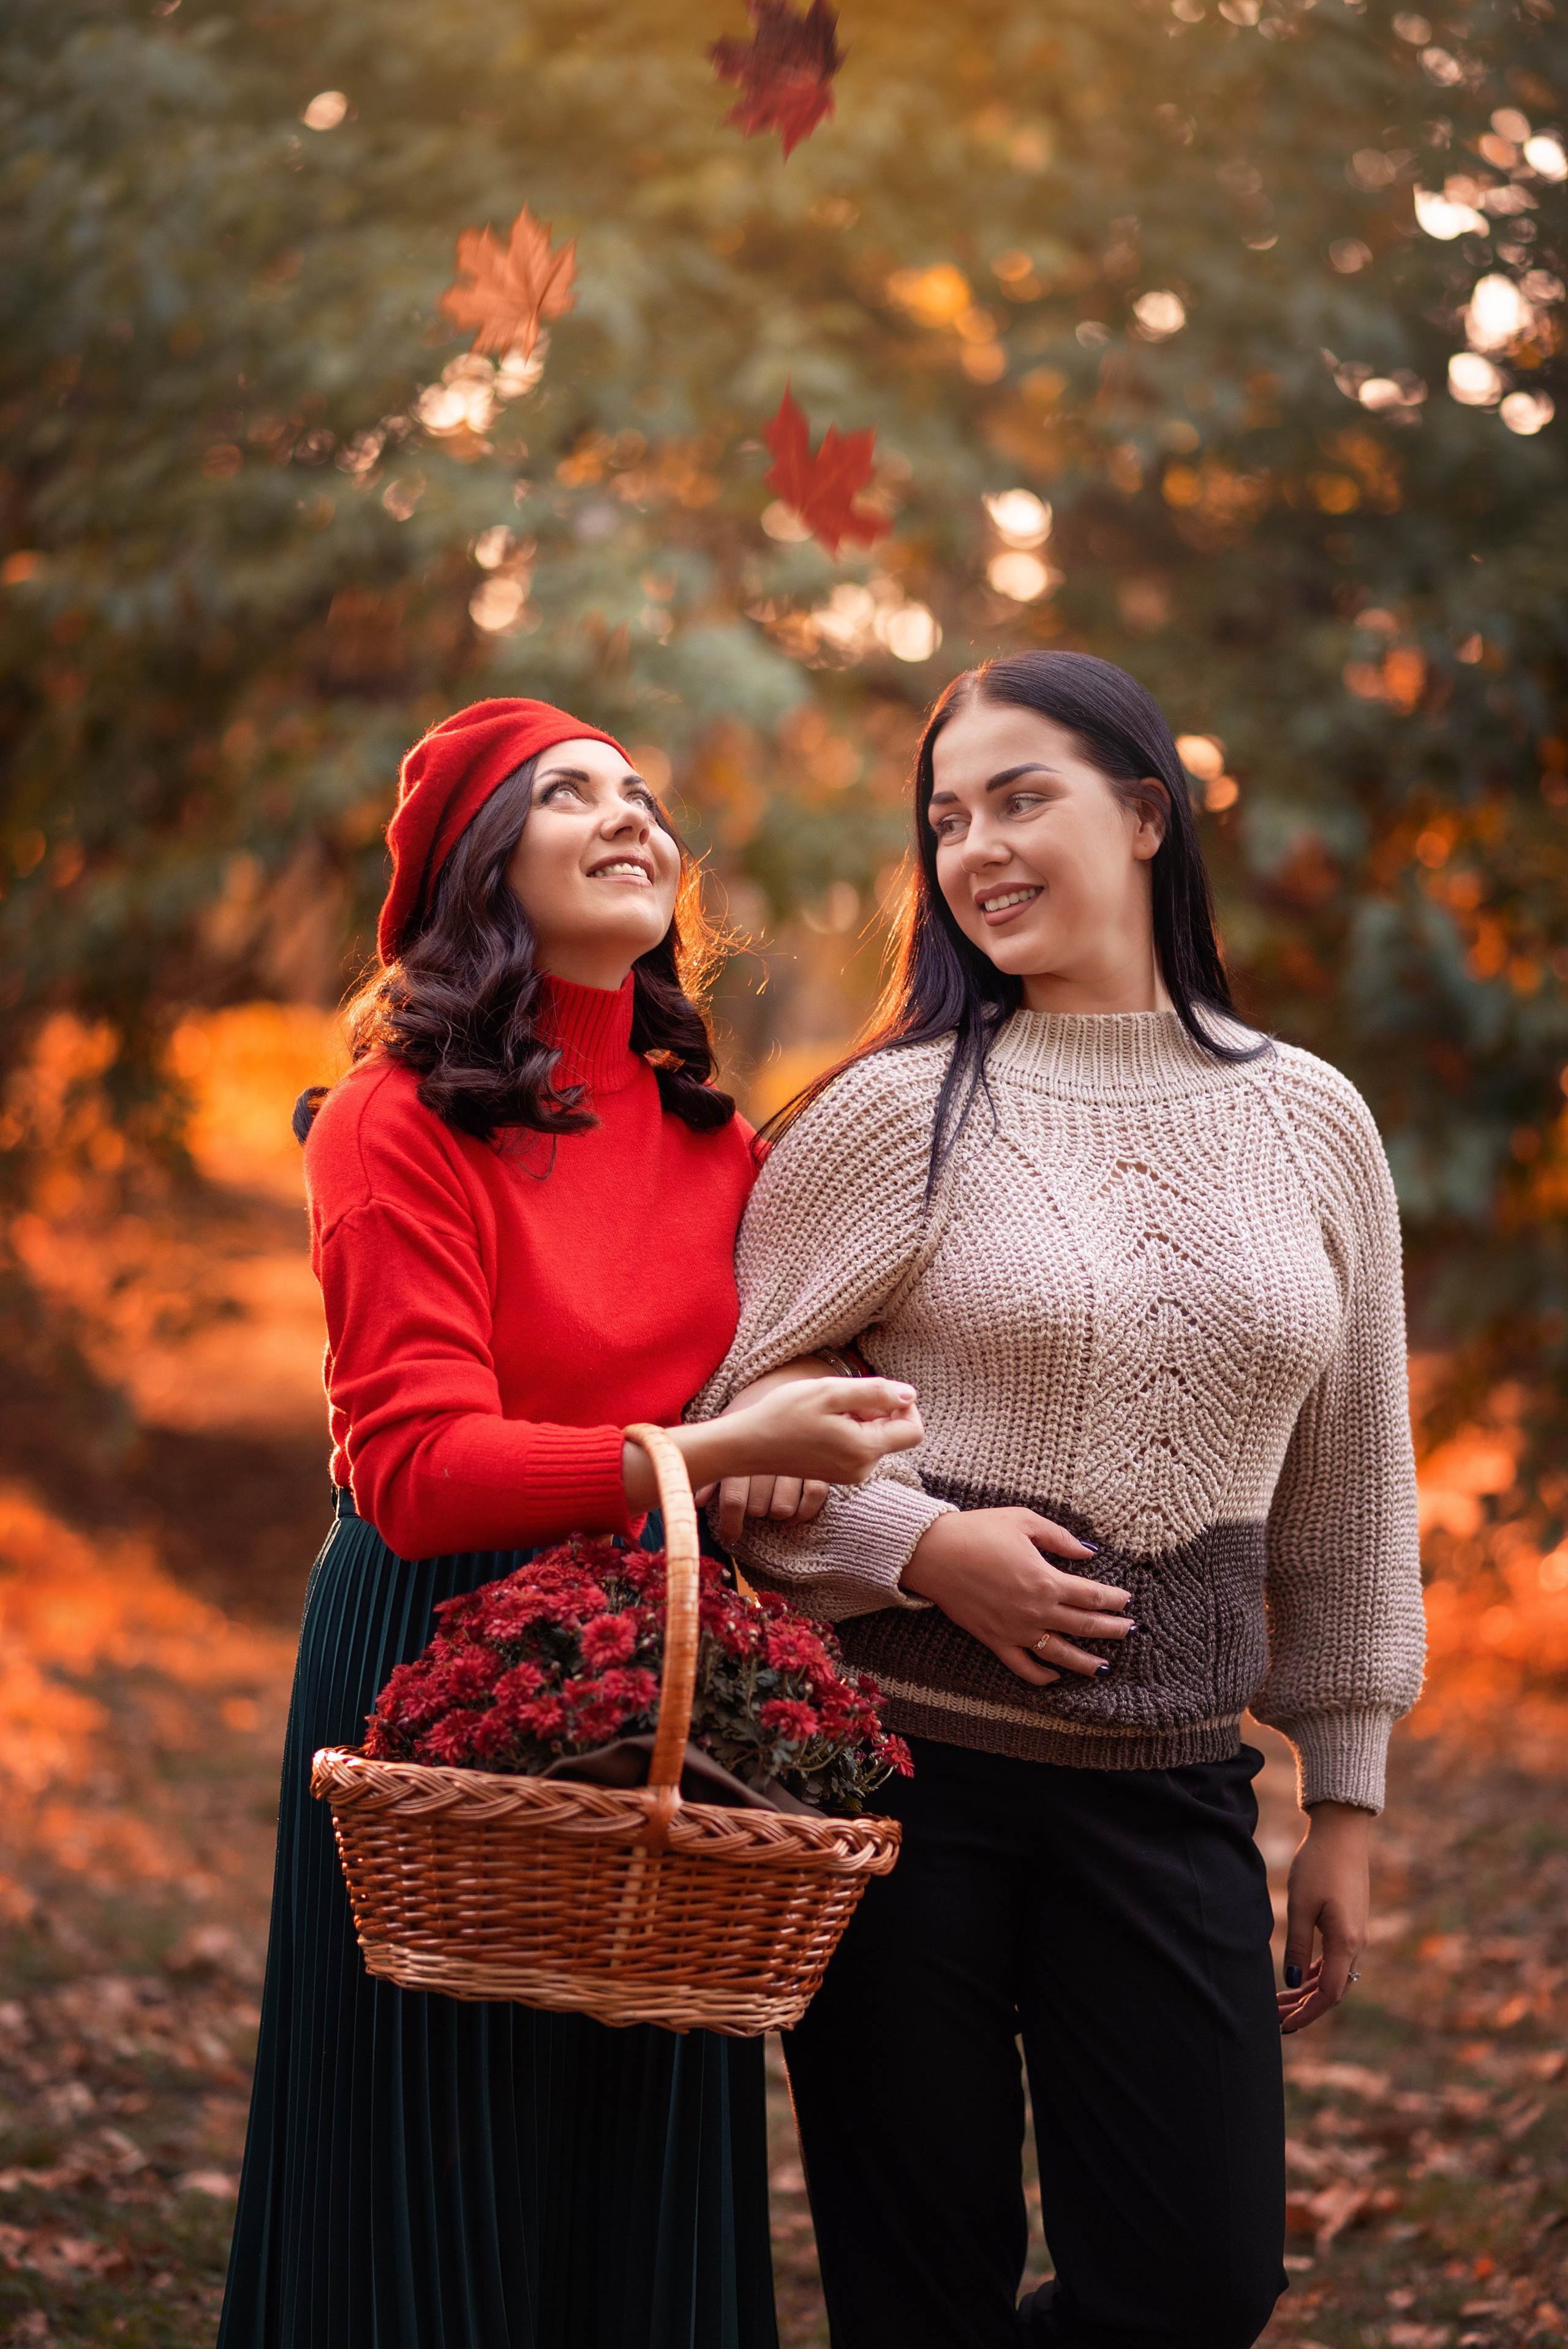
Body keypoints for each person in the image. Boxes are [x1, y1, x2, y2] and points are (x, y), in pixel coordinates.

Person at [696, 652, 1427, 2349]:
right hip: (898, 1787)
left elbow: (1352, 1491)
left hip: (1173, 1790)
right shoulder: (895, 1113)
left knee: (1194, 2284)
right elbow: (725, 1438)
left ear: (1148, 813)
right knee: (916, 2289)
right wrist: (922, 1547)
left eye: (1022, 796)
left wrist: (1351, 1800)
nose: (977, 849)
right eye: (947, 819)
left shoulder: (1310, 1119)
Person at [217, 696, 922, 2349]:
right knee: (428, 2167)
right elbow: (410, 1460)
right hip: (427, 1661)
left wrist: (785, 1463)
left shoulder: (718, 1140)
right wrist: (707, 1446)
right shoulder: (399, 1118)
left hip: (662, 1672)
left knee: (641, 2160)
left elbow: (786, 1400)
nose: (630, 818)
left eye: (643, 794)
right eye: (569, 793)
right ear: (481, 863)